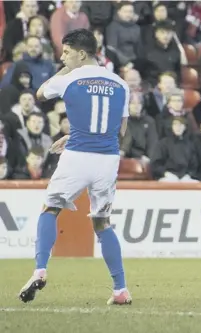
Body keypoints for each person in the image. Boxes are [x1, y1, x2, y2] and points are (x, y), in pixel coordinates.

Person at [18, 29, 132, 305]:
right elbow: (121, 129)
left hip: (78, 156)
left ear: (82, 54)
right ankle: (120, 289)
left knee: (50, 208)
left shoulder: (69, 78)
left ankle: (40, 269)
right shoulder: (121, 83)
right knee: (103, 223)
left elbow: (41, 93)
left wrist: (60, 73)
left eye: (67, 52)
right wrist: (78, 133)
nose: (62, 56)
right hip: (107, 159)